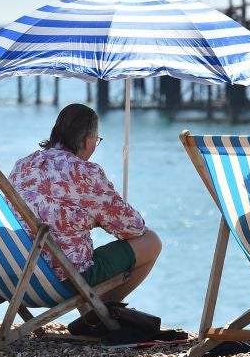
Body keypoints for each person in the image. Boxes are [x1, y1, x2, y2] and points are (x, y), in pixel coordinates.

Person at [8, 103, 162, 334]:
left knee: (75, 244)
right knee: (151, 242)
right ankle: (97, 314)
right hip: (63, 278)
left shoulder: (23, 165)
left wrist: (84, 218)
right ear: (88, 140)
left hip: (15, 273)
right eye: (97, 141)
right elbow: (134, 228)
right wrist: (97, 218)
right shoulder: (84, 171)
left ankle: (97, 312)